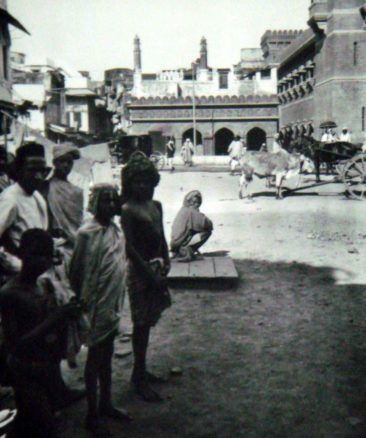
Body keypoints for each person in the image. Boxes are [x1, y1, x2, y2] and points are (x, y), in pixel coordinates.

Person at [0, 229, 82, 438]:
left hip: (47, 366)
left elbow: (51, 322)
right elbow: (15, 344)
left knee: (29, 421)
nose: (42, 261)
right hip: (26, 371)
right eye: (36, 254)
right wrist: (55, 318)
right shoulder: (10, 293)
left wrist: (70, 313)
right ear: (21, 253)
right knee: (44, 426)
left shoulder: (44, 283)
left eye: (47, 255)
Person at [69, 184, 132, 436]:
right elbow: (76, 270)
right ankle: (91, 413)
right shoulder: (86, 233)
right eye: (105, 201)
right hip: (94, 303)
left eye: (113, 200)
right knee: (95, 357)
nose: (110, 205)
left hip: (112, 302)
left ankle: (106, 403)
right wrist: (80, 301)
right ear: (95, 204)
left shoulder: (117, 231)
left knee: (107, 354)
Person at [121, 152, 171, 402]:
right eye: (136, 181)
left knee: (149, 320)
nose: (142, 185)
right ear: (129, 183)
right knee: (140, 324)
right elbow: (129, 247)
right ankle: (138, 377)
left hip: (157, 268)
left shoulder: (156, 205)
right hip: (140, 273)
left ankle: (140, 370)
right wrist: (149, 275)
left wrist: (167, 259)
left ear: (153, 181)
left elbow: (161, 235)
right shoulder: (127, 210)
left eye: (146, 181)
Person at [41, 143, 83, 266]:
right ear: (54, 163)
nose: (66, 165)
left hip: (73, 245)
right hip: (54, 244)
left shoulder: (77, 192)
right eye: (62, 161)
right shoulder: (46, 187)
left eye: (69, 162)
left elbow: (77, 222)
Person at [170, 190, 213, 261]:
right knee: (207, 232)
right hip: (180, 244)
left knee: (194, 228)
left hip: (174, 244)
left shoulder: (183, 210)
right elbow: (208, 224)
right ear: (191, 202)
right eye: (195, 202)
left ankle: (184, 250)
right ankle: (188, 250)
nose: (196, 204)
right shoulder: (191, 211)